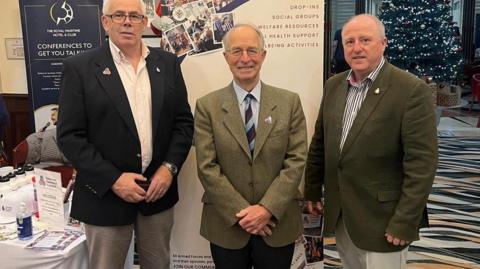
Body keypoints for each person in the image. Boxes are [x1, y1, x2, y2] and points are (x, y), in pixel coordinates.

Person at [56, 0, 194, 268]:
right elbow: (69, 137)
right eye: (119, 15)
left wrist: (169, 169)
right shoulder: (80, 68)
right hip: (104, 197)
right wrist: (114, 180)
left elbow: (183, 123)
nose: (127, 21)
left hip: (157, 193)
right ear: (105, 22)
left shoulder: (167, 63)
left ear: (144, 23)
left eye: (134, 16)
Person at [304, 14, 437, 269]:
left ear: (383, 43)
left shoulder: (410, 90)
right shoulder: (334, 86)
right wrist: (311, 190)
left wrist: (405, 221)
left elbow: (422, 165)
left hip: (385, 221)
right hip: (343, 215)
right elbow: (320, 145)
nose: (357, 48)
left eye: (365, 39)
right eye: (349, 42)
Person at [194, 24, 307, 269]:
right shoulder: (207, 106)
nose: (245, 58)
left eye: (252, 51)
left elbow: (296, 161)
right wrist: (244, 214)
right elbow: (207, 167)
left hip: (276, 225)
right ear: (226, 57)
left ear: (263, 55)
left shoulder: (289, 102)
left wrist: (266, 209)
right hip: (227, 226)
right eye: (236, 51)